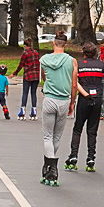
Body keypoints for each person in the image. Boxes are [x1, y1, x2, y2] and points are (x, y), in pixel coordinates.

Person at [36, 33, 75, 186]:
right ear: (65, 44)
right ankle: (51, 167)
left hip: (50, 98)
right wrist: (72, 102)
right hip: (64, 100)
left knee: (47, 136)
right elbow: (74, 83)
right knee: (57, 137)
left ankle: (50, 167)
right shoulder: (72, 61)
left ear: (54, 43)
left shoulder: (44, 60)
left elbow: (43, 77)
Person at [66, 42, 104, 172]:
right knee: (92, 130)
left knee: (78, 128)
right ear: (96, 53)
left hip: (84, 98)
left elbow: (74, 83)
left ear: (83, 53)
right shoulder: (102, 65)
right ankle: (91, 159)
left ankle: (73, 156)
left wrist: (76, 99)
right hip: (97, 98)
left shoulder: (79, 65)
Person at [16, 40, 41, 119]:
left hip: (28, 75)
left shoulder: (25, 53)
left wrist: (15, 73)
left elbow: (21, 64)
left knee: (25, 93)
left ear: (25, 46)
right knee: (33, 93)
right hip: (36, 75)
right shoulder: (36, 52)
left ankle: (22, 111)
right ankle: (34, 111)